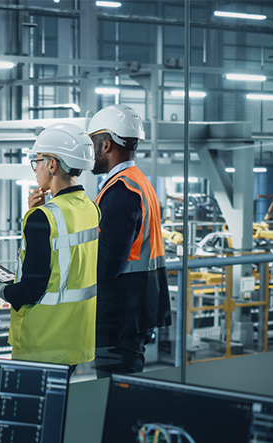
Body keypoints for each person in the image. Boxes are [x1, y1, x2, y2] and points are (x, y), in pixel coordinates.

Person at [0, 123, 100, 367]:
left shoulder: (42, 218)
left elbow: (30, 290)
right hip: (76, 339)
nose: (35, 168)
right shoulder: (91, 208)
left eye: (37, 161)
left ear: (52, 164)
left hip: (42, 342)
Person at [87, 104, 171, 378]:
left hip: (121, 310)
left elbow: (107, 262)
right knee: (127, 381)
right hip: (138, 302)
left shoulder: (122, 191)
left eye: (93, 144)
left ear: (107, 145)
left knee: (116, 387)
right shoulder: (138, 182)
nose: (92, 153)